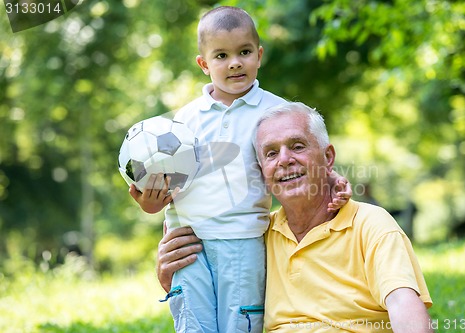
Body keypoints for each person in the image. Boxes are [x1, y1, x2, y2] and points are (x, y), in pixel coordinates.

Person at [127, 7, 350, 333]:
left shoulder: (274, 112)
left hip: (243, 241)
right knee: (194, 324)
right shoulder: (183, 123)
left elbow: (305, 156)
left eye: (244, 52)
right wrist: (150, 203)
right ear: (204, 64)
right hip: (189, 241)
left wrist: (333, 180)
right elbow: (167, 188)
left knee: (241, 323)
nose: (234, 62)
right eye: (221, 55)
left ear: (259, 56)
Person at [157, 102, 434, 333]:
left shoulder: (369, 223)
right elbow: (223, 297)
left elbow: (403, 303)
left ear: (328, 158)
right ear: (261, 171)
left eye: (298, 146)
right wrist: (171, 276)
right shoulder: (258, 236)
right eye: (271, 153)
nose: (284, 160)